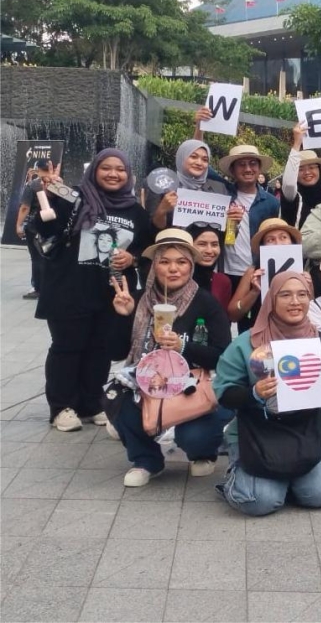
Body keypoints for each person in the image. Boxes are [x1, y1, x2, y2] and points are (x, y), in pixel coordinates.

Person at [213, 271, 321, 516]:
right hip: (258, 431)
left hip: (310, 429)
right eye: (285, 295)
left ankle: (288, 482)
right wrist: (254, 393)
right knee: (258, 501)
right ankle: (248, 478)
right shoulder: (247, 343)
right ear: (271, 300)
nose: (295, 302)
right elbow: (224, 393)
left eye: (302, 295)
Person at [34, 148, 153, 432]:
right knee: (67, 348)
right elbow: (44, 228)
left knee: (100, 349)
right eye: (106, 168)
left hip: (111, 294)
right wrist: (49, 197)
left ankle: (91, 403)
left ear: (128, 175)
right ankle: (61, 406)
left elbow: (147, 248)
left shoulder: (135, 211)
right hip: (69, 289)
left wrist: (133, 258)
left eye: (120, 169)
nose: (113, 174)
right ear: (94, 170)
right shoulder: (73, 197)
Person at [108, 229, 232, 487]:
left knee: (195, 436)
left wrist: (183, 346)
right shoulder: (140, 301)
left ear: (191, 266)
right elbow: (117, 352)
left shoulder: (205, 303)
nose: (173, 269)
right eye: (165, 261)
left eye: (181, 262)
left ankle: (203, 453)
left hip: (191, 388)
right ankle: (147, 460)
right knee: (114, 398)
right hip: (147, 383)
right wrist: (123, 316)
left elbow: (223, 355)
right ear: (155, 266)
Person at [217, 145, 280, 293]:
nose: (248, 169)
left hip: (259, 272)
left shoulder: (271, 202)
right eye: (241, 164)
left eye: (252, 164)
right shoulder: (222, 196)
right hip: (226, 271)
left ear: (259, 168)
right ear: (232, 170)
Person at [228, 218, 302, 332]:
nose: (278, 243)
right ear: (262, 246)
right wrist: (254, 292)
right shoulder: (252, 272)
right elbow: (233, 315)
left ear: (292, 242)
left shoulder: (302, 273)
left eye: (283, 237)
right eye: (271, 240)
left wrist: (308, 287)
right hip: (259, 334)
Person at [147, 139, 228, 230]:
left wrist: (232, 219)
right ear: (182, 158)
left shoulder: (219, 188)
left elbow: (224, 230)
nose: (199, 163)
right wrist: (162, 211)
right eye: (193, 157)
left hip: (207, 239)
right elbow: (151, 229)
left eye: (205, 160)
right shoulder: (163, 185)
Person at [15, 157, 61, 299]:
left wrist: (18, 225)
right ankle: (53, 286)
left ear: (38, 169)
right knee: (52, 256)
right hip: (54, 224)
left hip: (35, 226)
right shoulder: (57, 182)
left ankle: (38, 288)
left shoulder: (33, 185)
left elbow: (25, 207)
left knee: (37, 257)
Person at [278, 123, 321, 229]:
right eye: (301, 169)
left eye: (312, 167)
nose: (307, 172)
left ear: (319, 170)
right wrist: (297, 144)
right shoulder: (292, 198)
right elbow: (289, 184)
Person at [186, 222, 232, 311]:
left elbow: (222, 317)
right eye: (202, 244)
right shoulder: (176, 277)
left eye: (214, 244)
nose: (209, 251)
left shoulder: (222, 281)